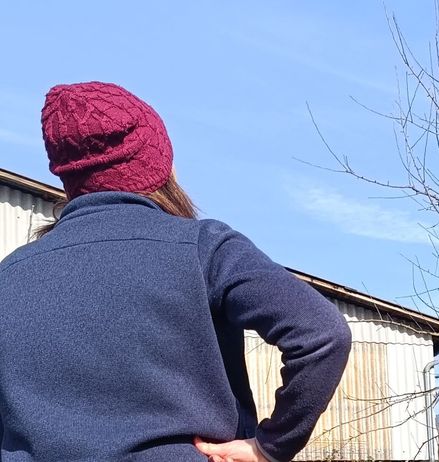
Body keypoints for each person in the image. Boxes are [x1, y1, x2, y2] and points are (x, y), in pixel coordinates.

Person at [0, 82, 352, 461]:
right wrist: (271, 446)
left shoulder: (9, 277)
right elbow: (321, 334)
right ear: (156, 163)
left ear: (67, 175)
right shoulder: (202, 248)